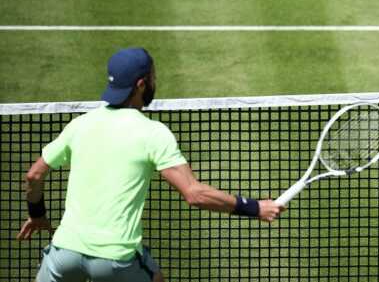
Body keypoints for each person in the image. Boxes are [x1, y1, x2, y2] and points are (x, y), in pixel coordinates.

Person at [16, 47, 286, 281]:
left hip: (65, 253)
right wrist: (255, 208)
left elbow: (34, 175)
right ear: (141, 84)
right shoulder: (153, 133)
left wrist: (37, 215)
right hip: (115, 258)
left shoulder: (80, 125)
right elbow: (194, 194)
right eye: (153, 76)